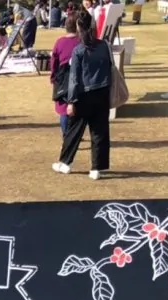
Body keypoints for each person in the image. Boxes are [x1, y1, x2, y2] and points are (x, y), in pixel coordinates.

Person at [53, 8, 111, 179]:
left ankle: (65, 163)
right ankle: (96, 168)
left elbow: (74, 79)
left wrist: (71, 101)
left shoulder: (78, 50)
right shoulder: (104, 46)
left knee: (74, 131)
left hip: (83, 95)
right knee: (99, 132)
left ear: (78, 28)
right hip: (102, 92)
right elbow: (110, 68)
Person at [49, 11, 78, 134]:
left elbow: (54, 61)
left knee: (63, 110)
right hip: (77, 78)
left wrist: (53, 77)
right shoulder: (81, 42)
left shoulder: (59, 42)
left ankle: (66, 135)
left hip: (62, 79)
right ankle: (73, 134)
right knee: (76, 108)